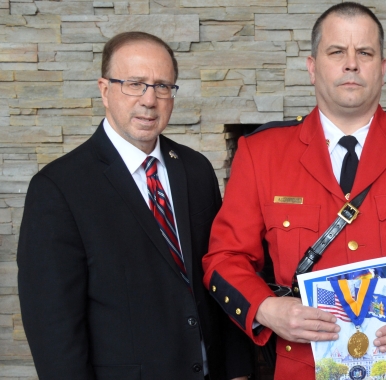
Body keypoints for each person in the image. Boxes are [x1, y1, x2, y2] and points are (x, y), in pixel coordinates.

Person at [201, 2, 386, 379]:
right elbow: (224, 259)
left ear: (383, 68)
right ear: (312, 67)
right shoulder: (261, 153)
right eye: (337, 51)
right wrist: (267, 309)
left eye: (365, 53)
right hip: (305, 364)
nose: (351, 63)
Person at [16, 31, 252, 379]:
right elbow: (54, 329)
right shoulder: (58, 188)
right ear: (104, 89)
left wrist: (238, 371)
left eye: (162, 86)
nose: (149, 99)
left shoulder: (196, 169)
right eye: (134, 83)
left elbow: (221, 273)